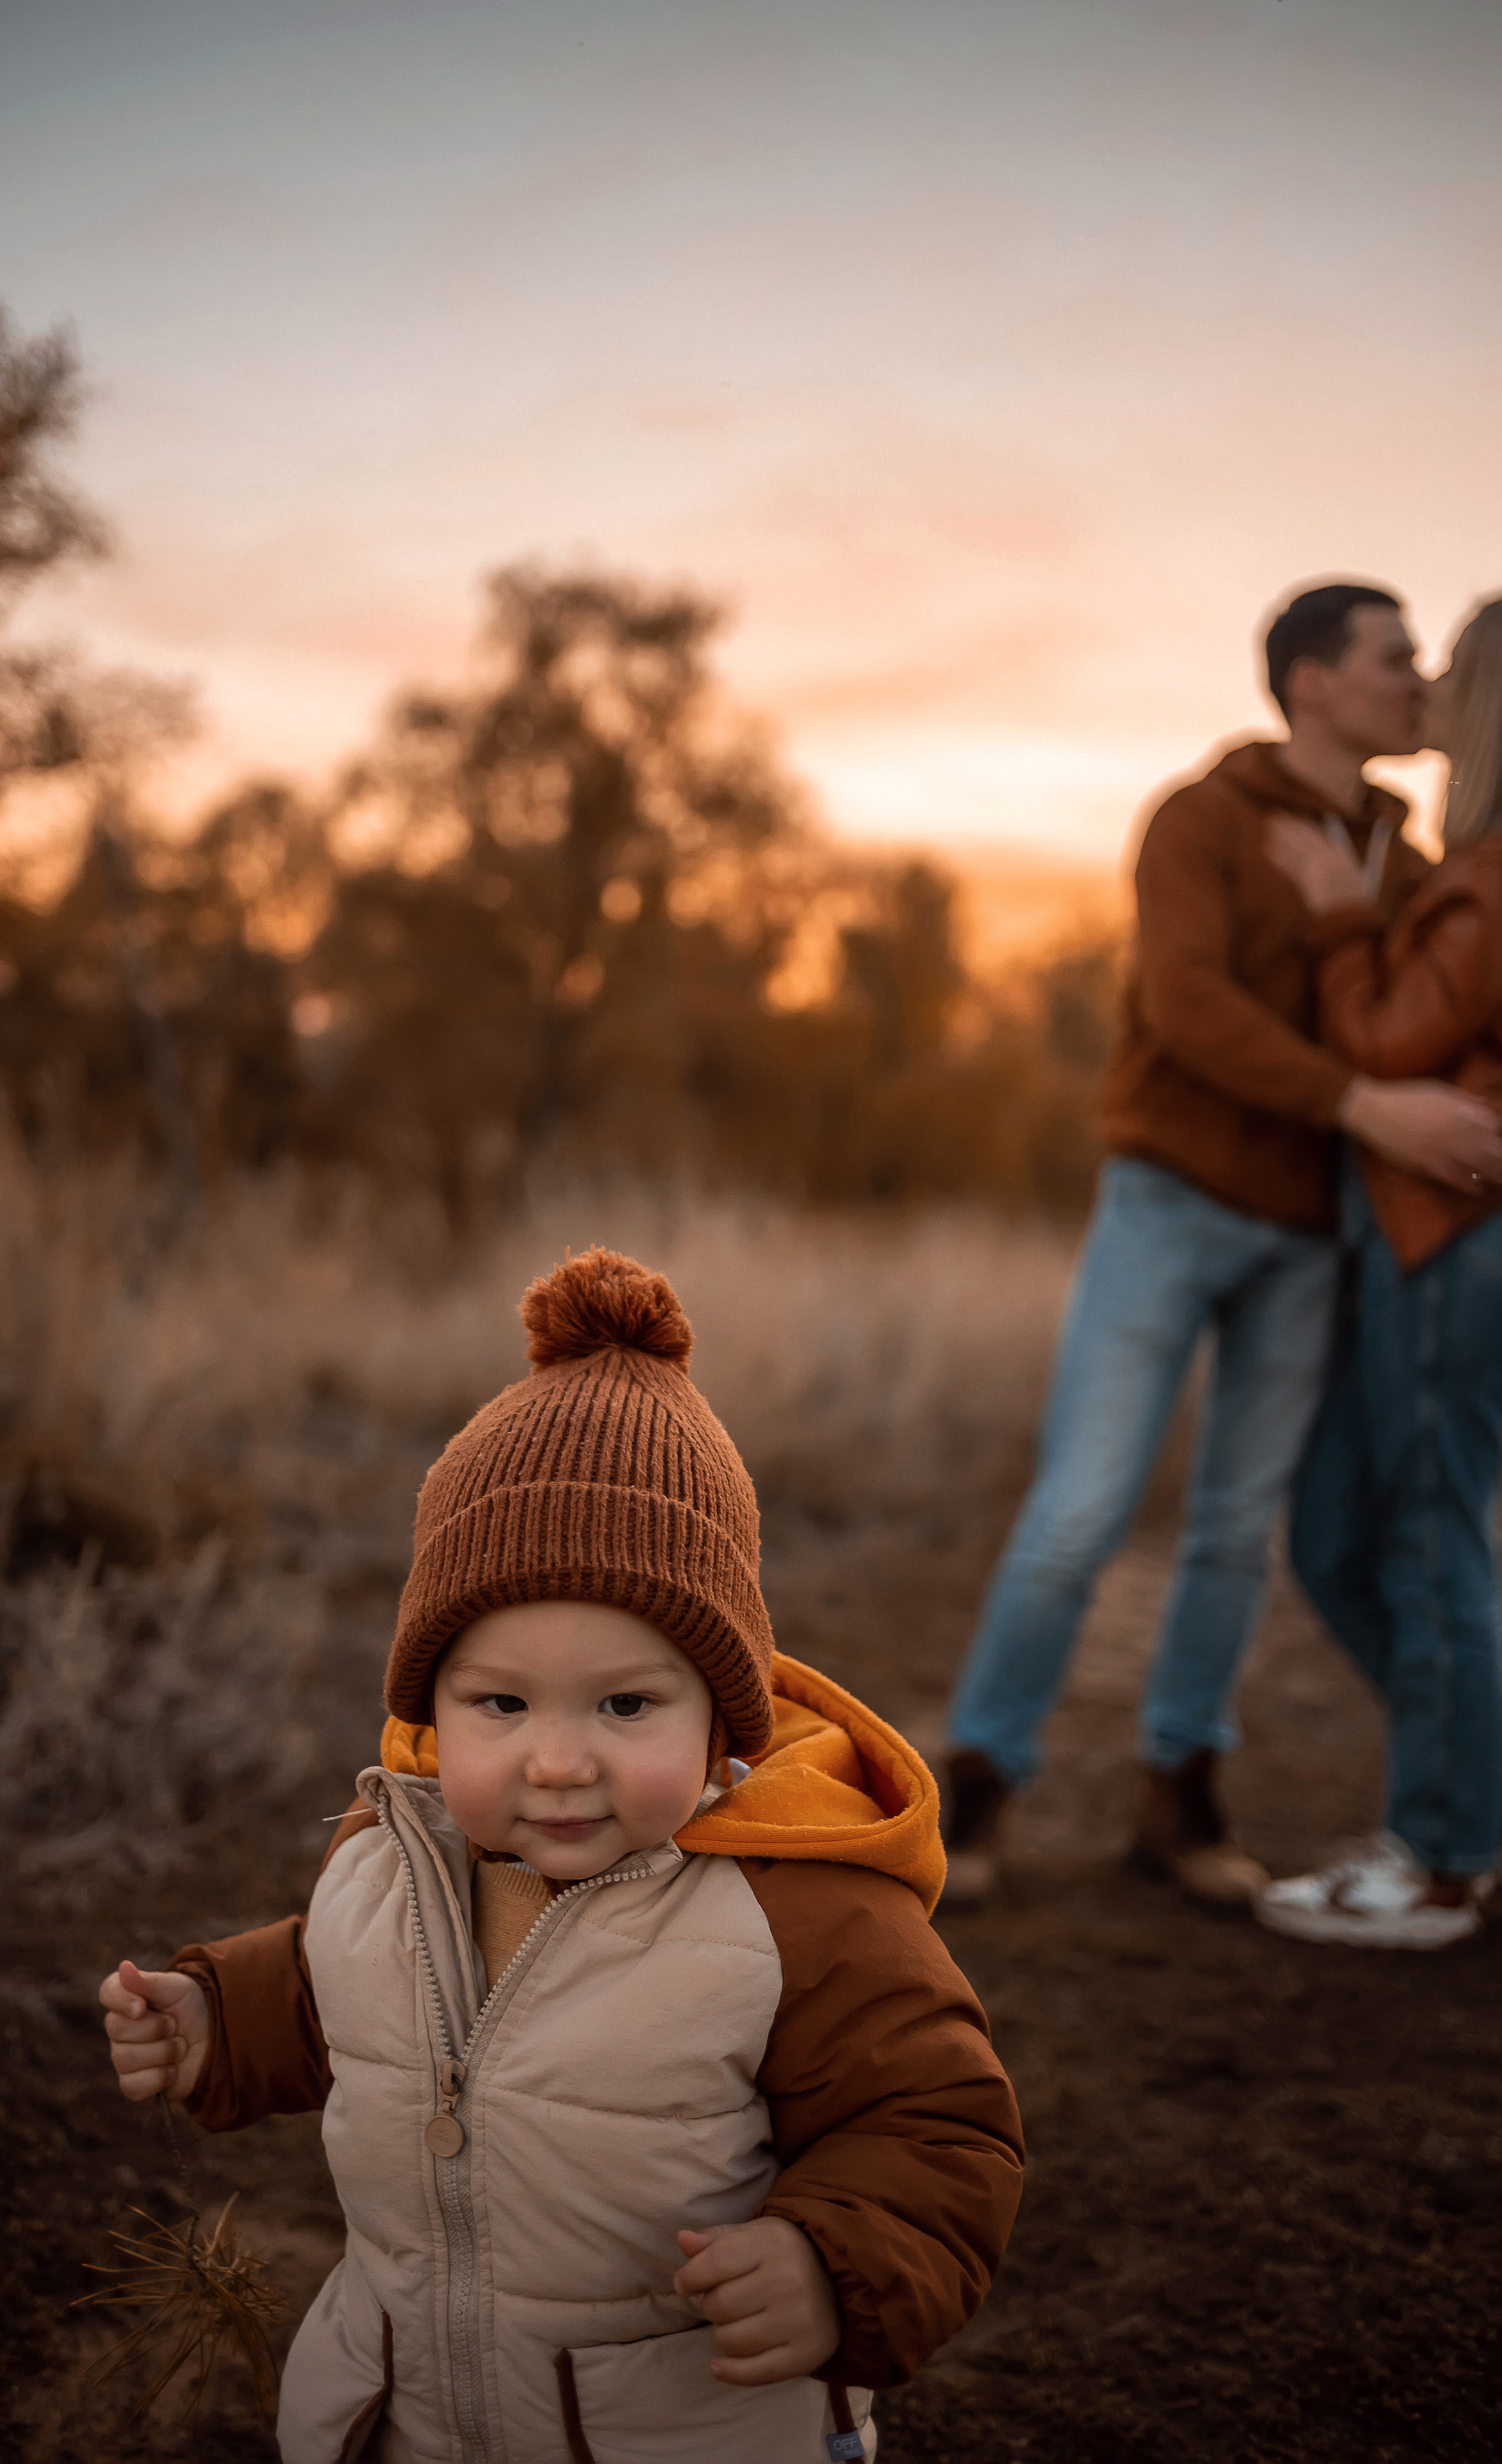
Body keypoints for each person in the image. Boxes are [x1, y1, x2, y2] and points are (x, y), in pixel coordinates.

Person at [99, 1247, 1024, 2464]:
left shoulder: (801, 1912)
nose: (557, 1761)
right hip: (406, 2417)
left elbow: (938, 2129)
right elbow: (350, 1996)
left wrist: (829, 2264)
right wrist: (219, 2018)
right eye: (502, 1706)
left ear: (721, 1722)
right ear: (435, 1710)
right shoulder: (396, 1857)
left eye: (626, 1707)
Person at [940, 581, 1502, 1912]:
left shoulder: (1406, 862)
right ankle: (977, 1782)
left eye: (1424, 663)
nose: (1417, 684)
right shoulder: (1198, 821)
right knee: (1077, 1514)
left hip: (1308, 1240)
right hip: (1170, 1205)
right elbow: (1185, 1005)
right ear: (1310, 682)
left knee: (1234, 1529)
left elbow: (1431, 1014)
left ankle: (1178, 1798)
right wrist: (1359, 1104)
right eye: (1390, 659)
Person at [1257, 597, 1502, 1949]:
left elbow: (1385, 1042)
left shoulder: (1479, 878)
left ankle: (1441, 1858)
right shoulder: (1459, 866)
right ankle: (1466, 1803)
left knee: (1420, 1537)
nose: (1423, 689)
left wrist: (1343, 920)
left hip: (1446, 1244)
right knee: (1341, 1534)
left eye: (1444, 672)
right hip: (1418, 1244)